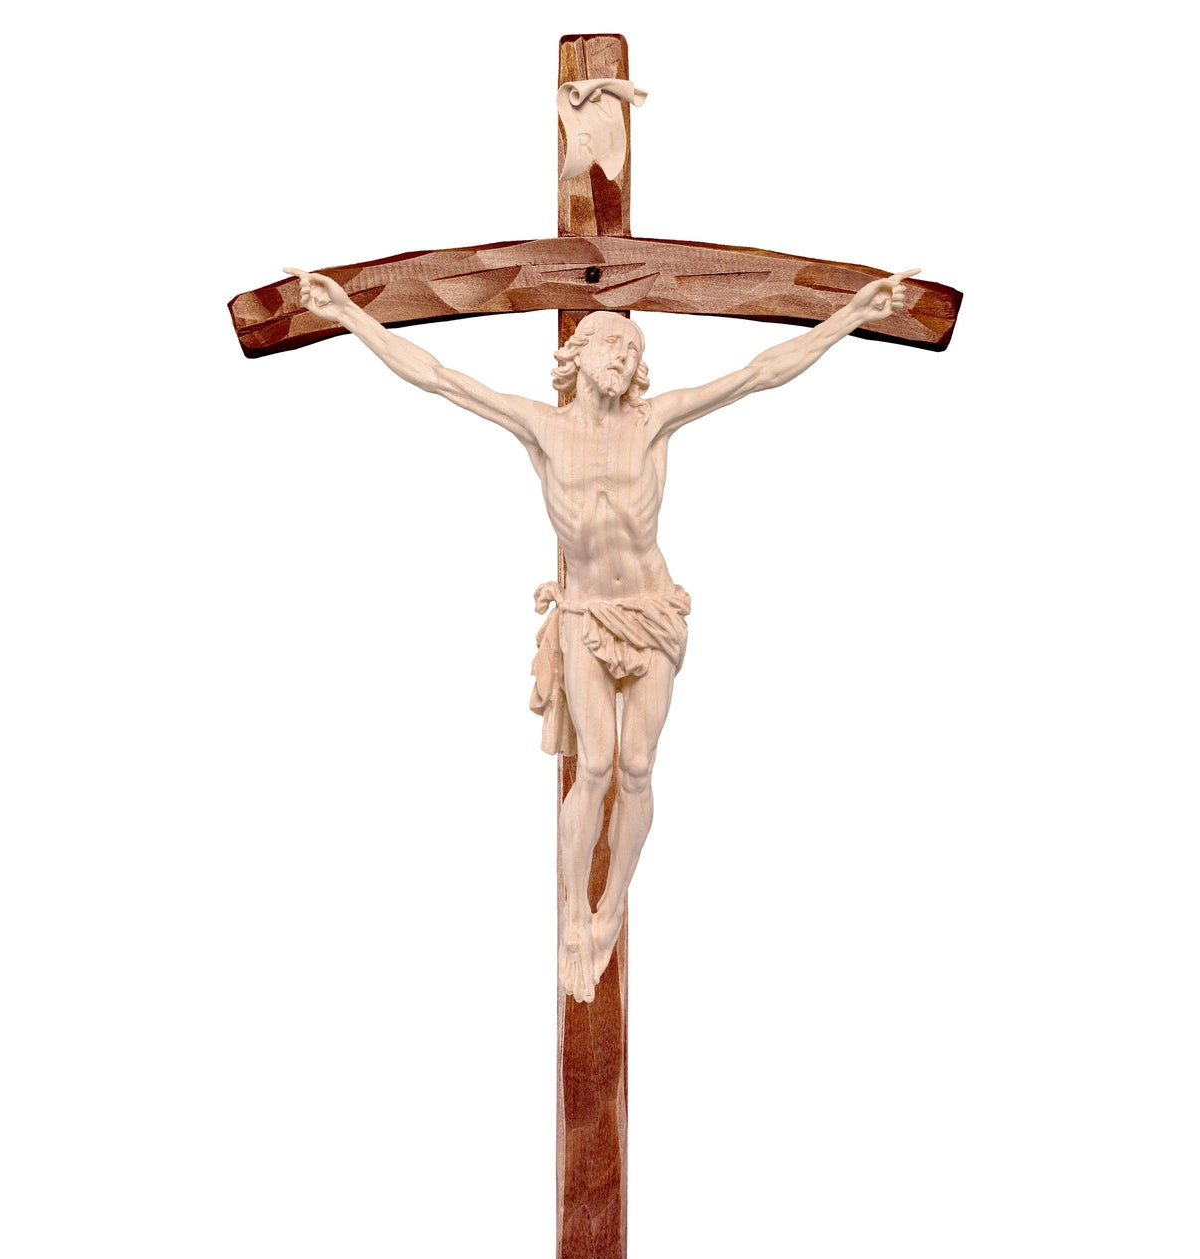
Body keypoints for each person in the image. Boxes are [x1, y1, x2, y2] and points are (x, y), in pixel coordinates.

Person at [284, 266, 917, 1000]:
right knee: (595, 763)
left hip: (651, 611)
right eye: (612, 343)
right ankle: (574, 908)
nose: (624, 355)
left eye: (632, 348)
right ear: (577, 353)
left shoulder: (654, 421)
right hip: (585, 615)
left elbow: (758, 373)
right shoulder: (543, 427)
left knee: (638, 764)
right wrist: (347, 313)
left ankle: (612, 902)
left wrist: (850, 315)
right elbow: (437, 376)